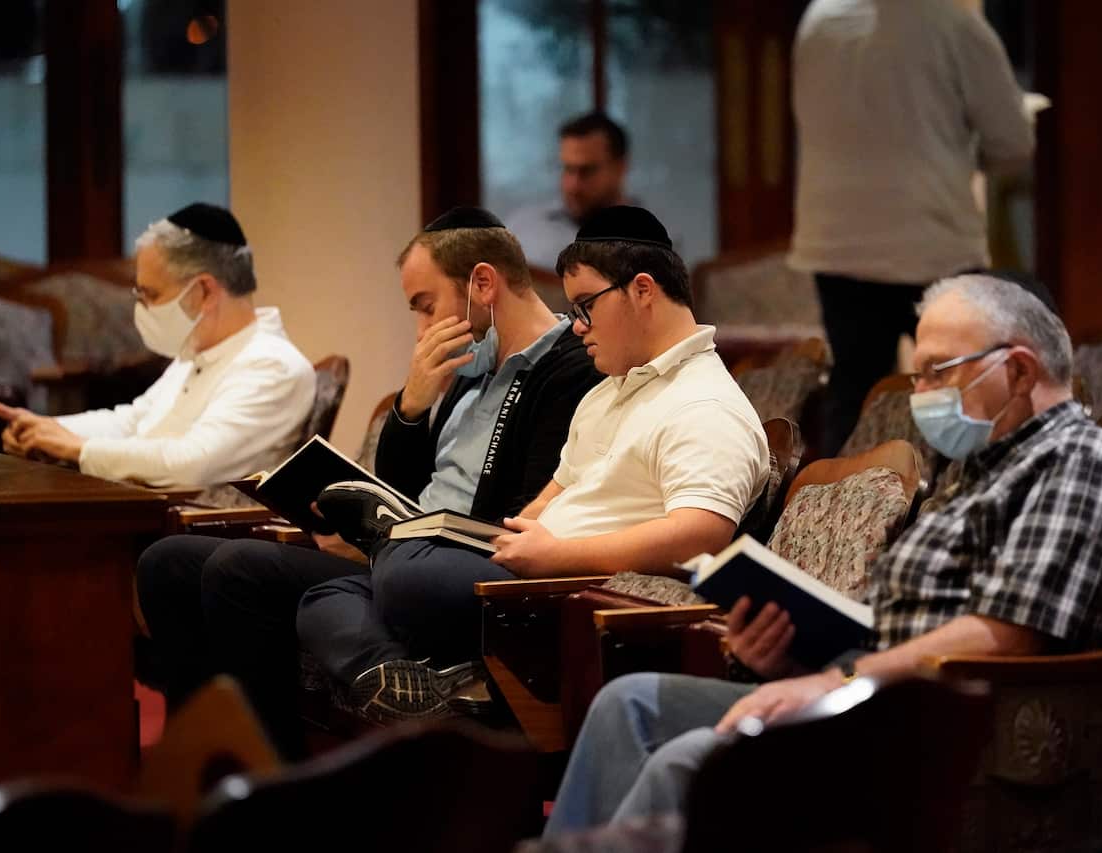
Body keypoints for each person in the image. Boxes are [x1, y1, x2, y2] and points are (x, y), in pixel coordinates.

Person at [544, 273, 1102, 834]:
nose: (922, 391)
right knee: (626, 705)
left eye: (939, 370)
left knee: (696, 761)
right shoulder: (975, 472)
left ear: (1016, 370)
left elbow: (1005, 636)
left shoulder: (1082, 463)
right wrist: (791, 652)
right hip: (872, 692)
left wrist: (837, 681)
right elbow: (899, 625)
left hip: (958, 727)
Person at [134, 207, 600, 755]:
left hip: (456, 570)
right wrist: (411, 405)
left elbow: (522, 512)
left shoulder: (568, 369)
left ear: (482, 283)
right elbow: (399, 484)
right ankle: (206, 763)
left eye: (426, 307)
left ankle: (275, 783)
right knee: (166, 562)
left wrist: (390, 538)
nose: (423, 329)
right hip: (400, 552)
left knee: (240, 571)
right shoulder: (467, 368)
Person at [296, 206, 770, 724]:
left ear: (642, 290)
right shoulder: (610, 394)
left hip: (571, 597)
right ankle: (415, 687)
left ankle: (439, 676)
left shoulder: (704, 403)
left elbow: (703, 534)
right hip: (534, 574)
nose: (578, 326)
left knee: (404, 568)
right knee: (332, 590)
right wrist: (499, 540)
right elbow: (552, 495)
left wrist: (559, 556)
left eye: (586, 306)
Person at [787, 0, 1036, 456]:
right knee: (965, 394)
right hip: (932, 241)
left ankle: (838, 516)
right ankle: (962, 508)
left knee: (857, 393)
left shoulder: (819, 17)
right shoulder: (953, 21)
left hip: (838, 242)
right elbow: (1013, 141)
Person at [0, 202, 315, 488]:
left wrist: (78, 448)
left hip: (193, 540)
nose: (142, 307)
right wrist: (47, 429)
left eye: (152, 294)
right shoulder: (197, 352)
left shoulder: (272, 365)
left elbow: (194, 464)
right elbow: (134, 421)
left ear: (203, 290)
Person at [504, 112, 633, 270]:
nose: (573, 185)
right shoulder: (522, 226)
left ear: (620, 168)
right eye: (568, 169)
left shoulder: (655, 242)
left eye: (587, 171)